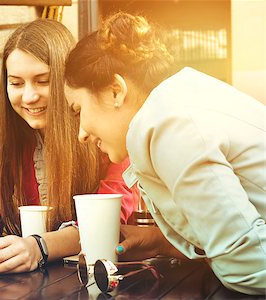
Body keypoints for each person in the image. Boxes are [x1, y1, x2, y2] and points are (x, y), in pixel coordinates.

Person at [63, 11, 265, 295]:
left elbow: (249, 268)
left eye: (78, 111)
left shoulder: (166, 124)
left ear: (115, 91)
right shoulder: (180, 97)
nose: (81, 133)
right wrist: (164, 242)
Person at [0, 19, 137, 275]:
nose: (29, 96)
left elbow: (108, 216)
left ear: (67, 79)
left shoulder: (106, 132)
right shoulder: (8, 136)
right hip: (36, 279)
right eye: (16, 83)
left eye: (42, 81)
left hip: (108, 274)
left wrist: (39, 247)